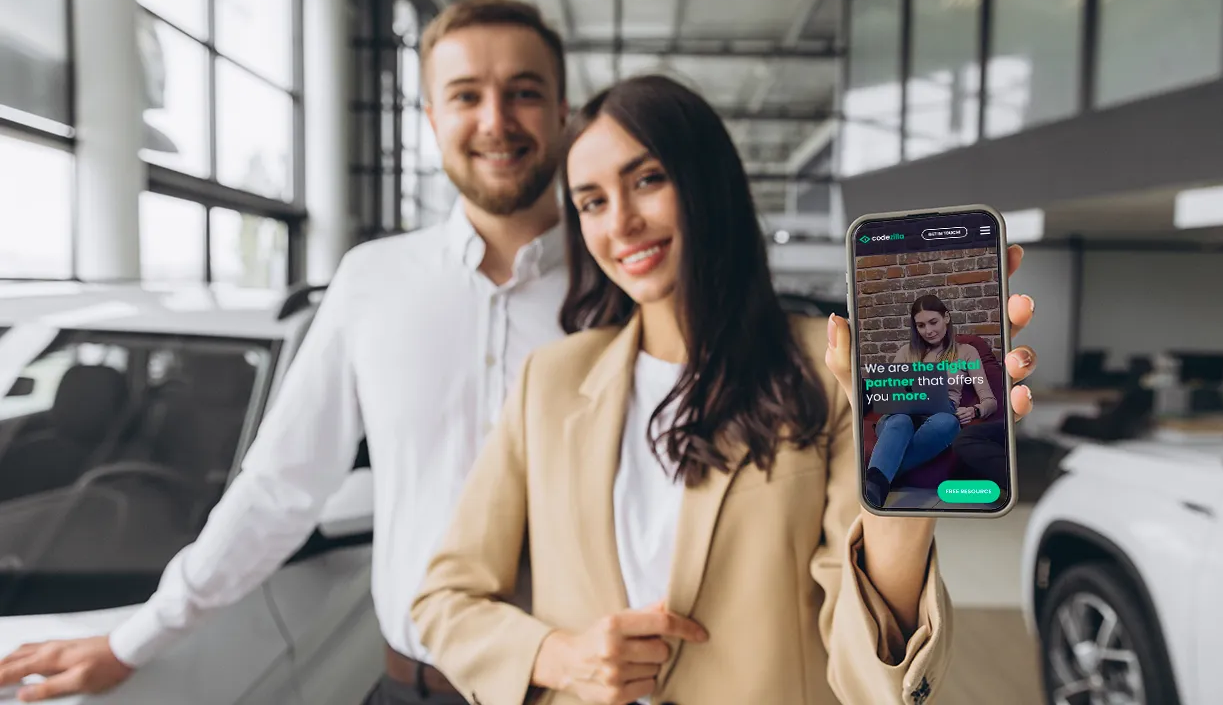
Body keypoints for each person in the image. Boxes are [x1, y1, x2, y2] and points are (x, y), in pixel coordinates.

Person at [0, 0, 573, 705]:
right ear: (431, 117)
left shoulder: (625, 294)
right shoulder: (373, 281)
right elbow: (280, 487)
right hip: (420, 688)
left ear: (562, 112)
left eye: (524, 92)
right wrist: (131, 641)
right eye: (466, 96)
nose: (495, 120)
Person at [409, 74, 1040, 705]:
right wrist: (559, 658)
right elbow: (444, 601)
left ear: (706, 183)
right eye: (592, 202)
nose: (621, 221)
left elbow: (871, 679)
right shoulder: (549, 383)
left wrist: (911, 496)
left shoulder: (827, 373)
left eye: (647, 180)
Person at [863, 294, 1001, 507]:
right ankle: (876, 488)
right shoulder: (905, 353)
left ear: (946, 317)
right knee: (900, 421)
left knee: (947, 422)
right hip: (899, 418)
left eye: (933, 322)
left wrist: (975, 410)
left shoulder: (967, 353)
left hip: (940, 417)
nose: (928, 330)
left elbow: (990, 400)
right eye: (921, 325)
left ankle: (877, 479)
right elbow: (892, 392)